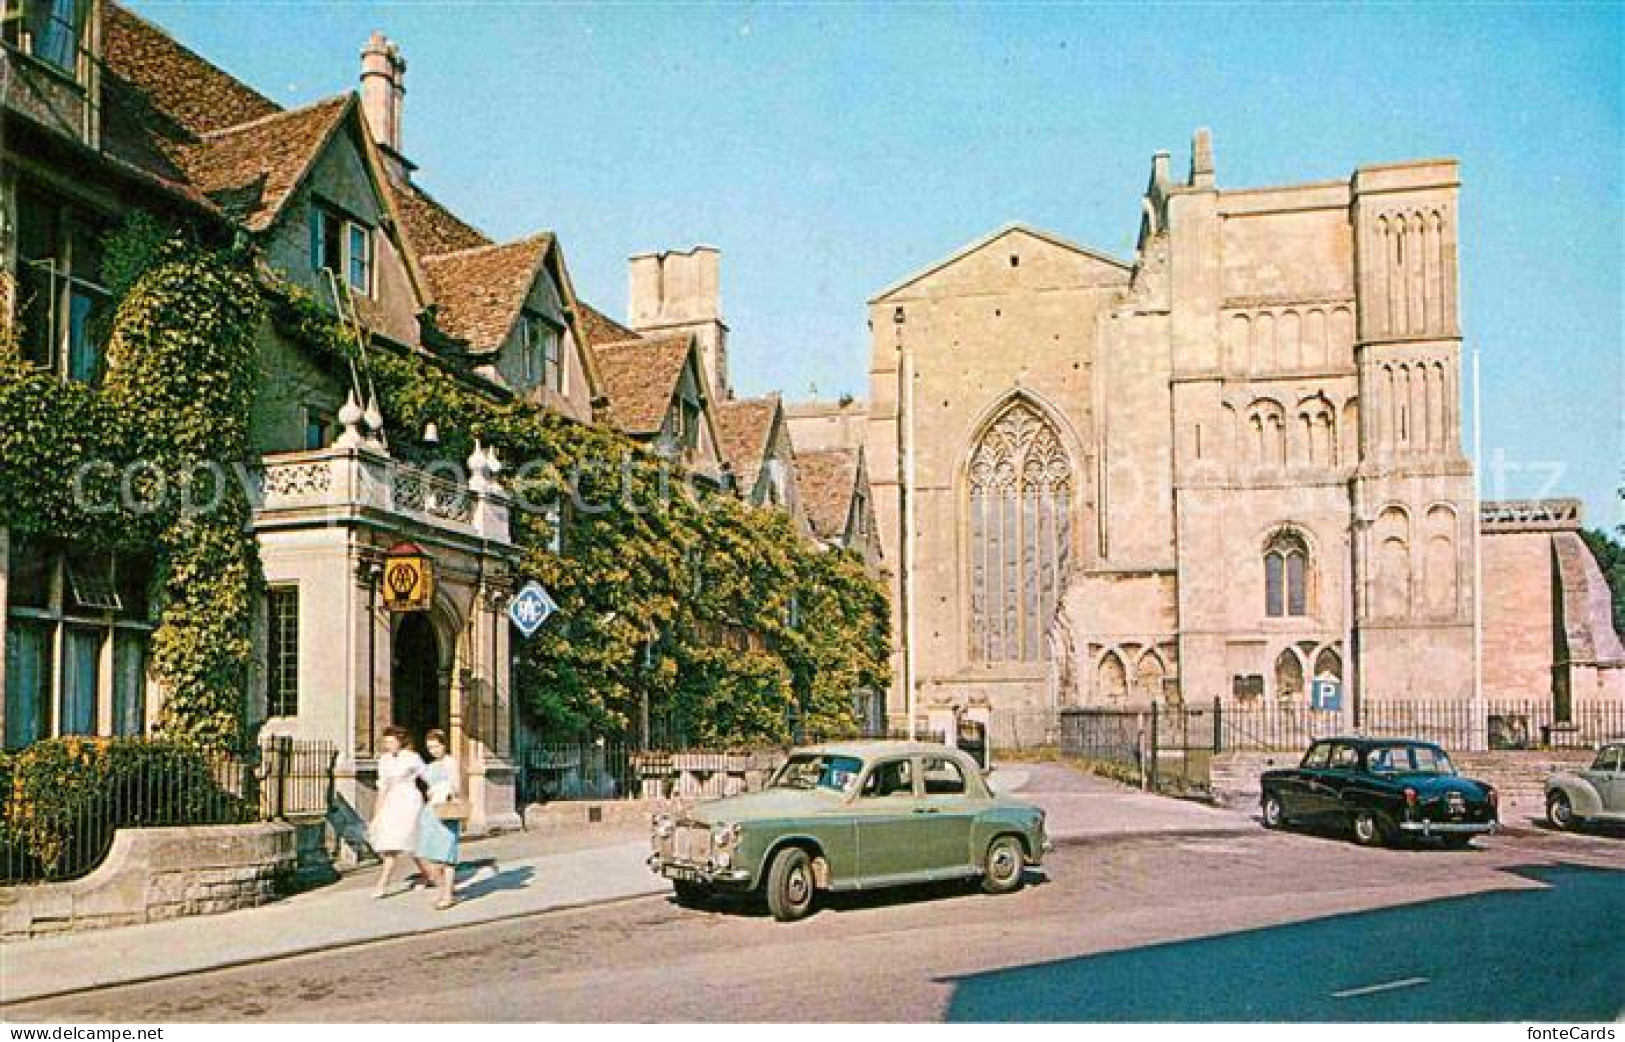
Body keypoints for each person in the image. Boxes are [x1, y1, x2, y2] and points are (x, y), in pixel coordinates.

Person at [369, 726, 425, 898]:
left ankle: (382, 884)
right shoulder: (384, 760)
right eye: (386, 742)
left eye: (392, 741)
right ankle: (427, 874)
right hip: (392, 802)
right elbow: (382, 786)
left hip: (410, 801)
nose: (388, 745)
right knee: (391, 842)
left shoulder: (412, 758)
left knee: (409, 840)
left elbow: (428, 776)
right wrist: (377, 812)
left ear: (401, 742)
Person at [415, 728, 463, 910]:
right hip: (431, 811)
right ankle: (445, 888)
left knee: (446, 854)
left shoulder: (450, 762)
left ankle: (447, 894)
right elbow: (429, 785)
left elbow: (455, 787)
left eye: (436, 746)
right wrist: (430, 791)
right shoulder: (432, 765)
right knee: (426, 852)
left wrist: (442, 790)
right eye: (430, 747)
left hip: (446, 810)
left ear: (444, 745)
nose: (433, 750)